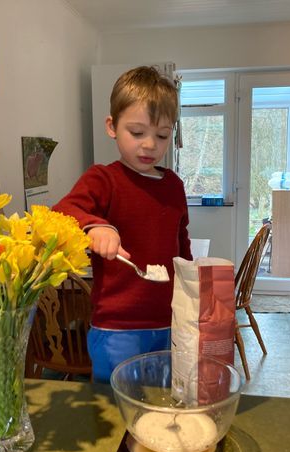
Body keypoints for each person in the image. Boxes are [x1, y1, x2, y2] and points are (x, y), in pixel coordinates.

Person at [52, 66, 194, 383]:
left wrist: (192, 294)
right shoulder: (103, 179)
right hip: (117, 328)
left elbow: (181, 244)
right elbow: (63, 211)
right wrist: (95, 226)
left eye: (161, 135)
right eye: (137, 132)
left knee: (159, 410)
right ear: (112, 126)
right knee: (116, 411)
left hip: (169, 322)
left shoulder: (173, 186)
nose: (149, 145)